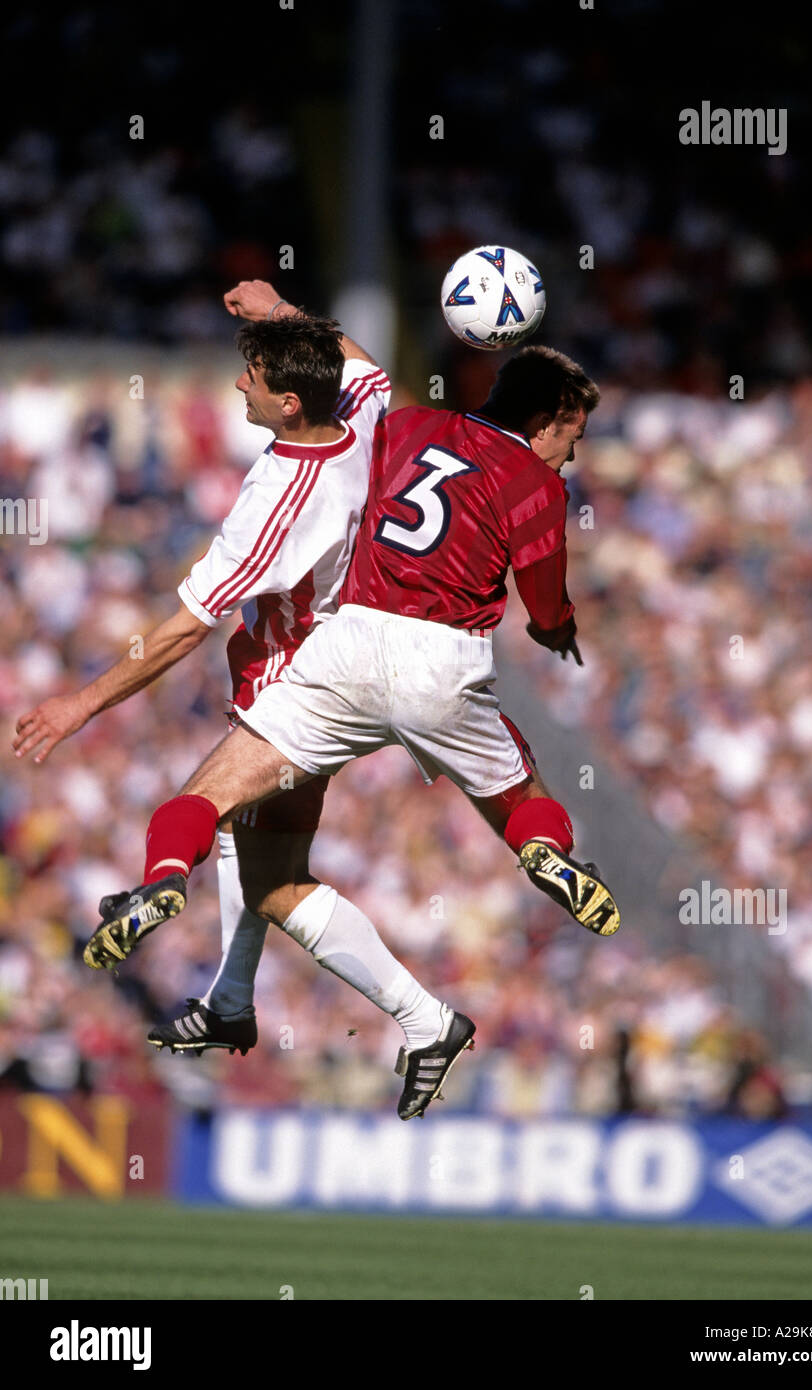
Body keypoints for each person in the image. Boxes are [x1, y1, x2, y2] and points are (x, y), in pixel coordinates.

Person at [80, 341, 621, 1113]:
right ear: (546, 420)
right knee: (518, 793)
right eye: (573, 433)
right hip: (445, 661)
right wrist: (559, 629)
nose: (574, 451)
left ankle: (166, 881)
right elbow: (544, 607)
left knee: (207, 796)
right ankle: (545, 853)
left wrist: (284, 317)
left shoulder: (406, 426)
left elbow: (355, 378)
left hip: (346, 645)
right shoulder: (535, 483)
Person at [14, 284, 472, 1121]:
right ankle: (237, 1002)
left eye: (252, 377)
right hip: (363, 655)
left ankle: (161, 886)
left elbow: (182, 630)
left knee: (210, 819)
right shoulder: (360, 414)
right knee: (265, 869)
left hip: (301, 678)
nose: (238, 388)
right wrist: (281, 313)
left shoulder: (276, 503)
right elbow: (360, 367)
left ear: (288, 401)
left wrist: (77, 707)